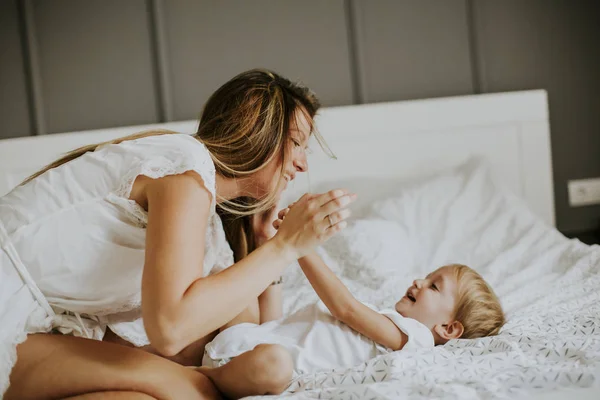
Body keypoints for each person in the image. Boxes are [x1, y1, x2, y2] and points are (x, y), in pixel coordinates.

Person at [0, 69, 355, 400]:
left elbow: (245, 338)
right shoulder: (184, 164)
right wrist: (285, 246)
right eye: (296, 143)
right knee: (192, 388)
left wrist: (265, 244)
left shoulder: (209, 225)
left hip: (40, 332)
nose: (303, 164)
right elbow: (170, 329)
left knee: (160, 390)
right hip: (8, 307)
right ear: (255, 130)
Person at [197, 207, 506, 399]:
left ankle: (198, 380)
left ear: (448, 328)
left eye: (434, 286)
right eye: (426, 276)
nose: (418, 282)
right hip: (250, 341)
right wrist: (273, 249)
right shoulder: (389, 322)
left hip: (251, 370)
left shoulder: (418, 340)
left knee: (276, 362)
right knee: (234, 286)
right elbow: (276, 329)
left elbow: (343, 306)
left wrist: (300, 245)